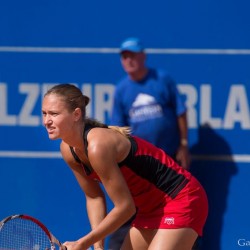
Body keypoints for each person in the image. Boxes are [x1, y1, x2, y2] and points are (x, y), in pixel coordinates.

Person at [42, 83, 208, 250]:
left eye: (54, 114)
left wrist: (83, 243)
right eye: (44, 114)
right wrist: (97, 246)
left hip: (180, 198)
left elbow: (125, 207)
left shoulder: (98, 146)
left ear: (76, 114)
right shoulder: (68, 150)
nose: (47, 121)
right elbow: (94, 197)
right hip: (148, 209)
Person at [109, 37, 191, 249]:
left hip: (168, 162)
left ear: (143, 56)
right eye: (124, 56)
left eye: (133, 55)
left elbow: (180, 112)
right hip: (138, 165)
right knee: (132, 211)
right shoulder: (121, 90)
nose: (129, 60)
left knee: (178, 210)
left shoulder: (162, 80)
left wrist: (183, 143)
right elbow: (118, 130)